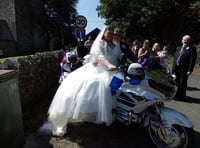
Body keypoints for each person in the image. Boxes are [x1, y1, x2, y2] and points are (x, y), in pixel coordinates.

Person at [41, 26, 123, 137]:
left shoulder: (116, 45)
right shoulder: (99, 44)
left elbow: (120, 57)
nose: (111, 33)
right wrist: (109, 64)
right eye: (108, 31)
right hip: (100, 70)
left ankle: (116, 113)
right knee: (92, 87)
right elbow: (100, 56)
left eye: (112, 32)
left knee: (118, 89)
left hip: (114, 71)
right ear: (103, 33)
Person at [172, 35, 197, 100]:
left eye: (187, 40)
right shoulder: (178, 48)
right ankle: (175, 95)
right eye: (184, 40)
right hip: (176, 68)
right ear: (182, 40)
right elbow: (175, 59)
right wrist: (173, 69)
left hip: (184, 69)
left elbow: (192, 60)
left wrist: (190, 70)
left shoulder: (192, 49)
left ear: (189, 41)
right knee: (176, 82)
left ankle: (181, 97)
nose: (185, 41)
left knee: (182, 83)